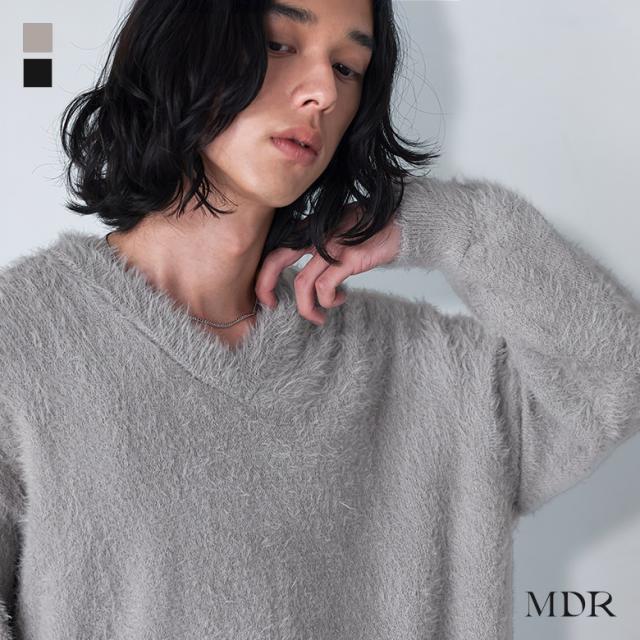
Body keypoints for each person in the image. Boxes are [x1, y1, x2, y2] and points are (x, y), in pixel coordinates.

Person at [0, 1, 638, 639]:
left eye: (348, 67)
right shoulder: (23, 345)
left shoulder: (424, 375)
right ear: (182, 46)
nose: (324, 92)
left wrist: (453, 229)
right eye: (279, 43)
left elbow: (609, 383)